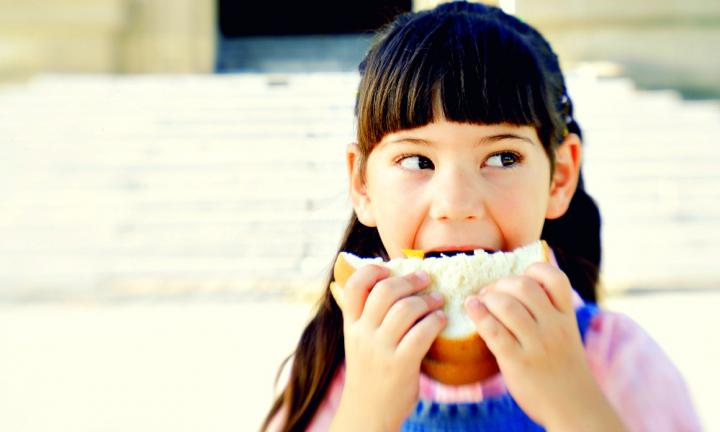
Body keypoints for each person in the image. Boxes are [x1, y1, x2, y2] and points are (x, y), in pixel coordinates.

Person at [262, 2, 700, 431]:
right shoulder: (334, 373)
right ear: (362, 185)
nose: (456, 203)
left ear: (559, 177)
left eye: (503, 157)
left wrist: (574, 405)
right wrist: (367, 416)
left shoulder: (619, 361)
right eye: (417, 161)